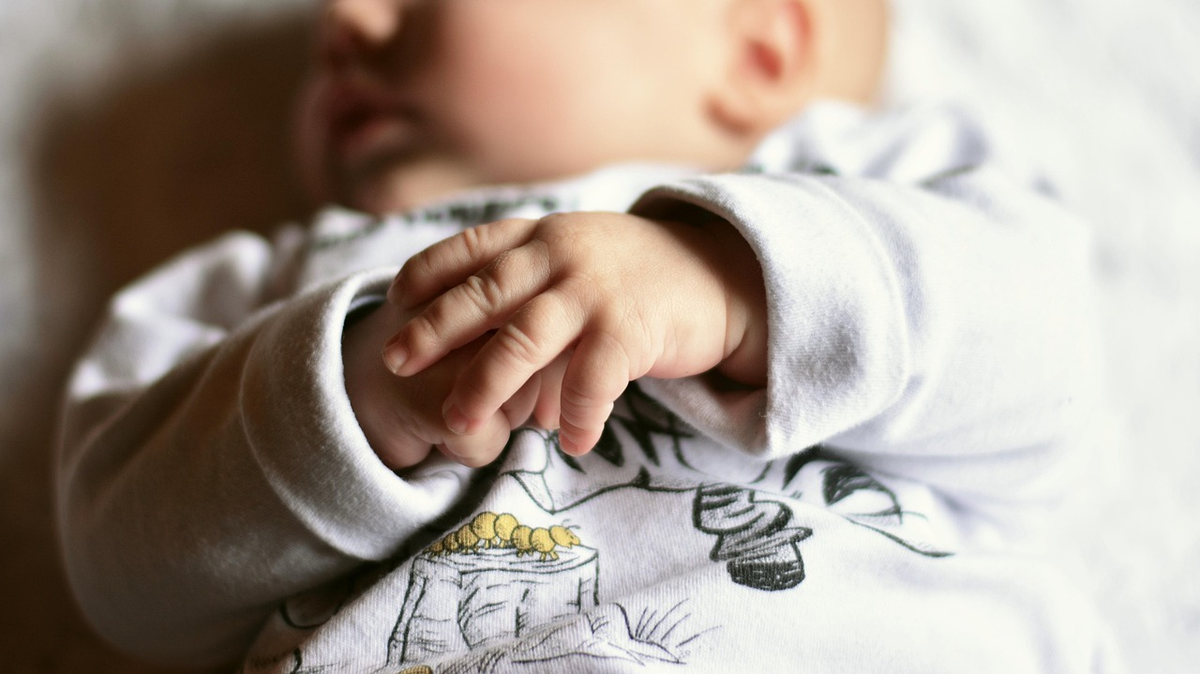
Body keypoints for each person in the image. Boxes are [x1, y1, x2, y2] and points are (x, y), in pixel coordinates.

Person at [56, 0, 1118, 671]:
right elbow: (122, 573)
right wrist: (361, 387)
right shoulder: (279, 282)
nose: (348, 19)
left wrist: (726, 279)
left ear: (757, 43)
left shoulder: (864, 181)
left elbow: (1050, 362)